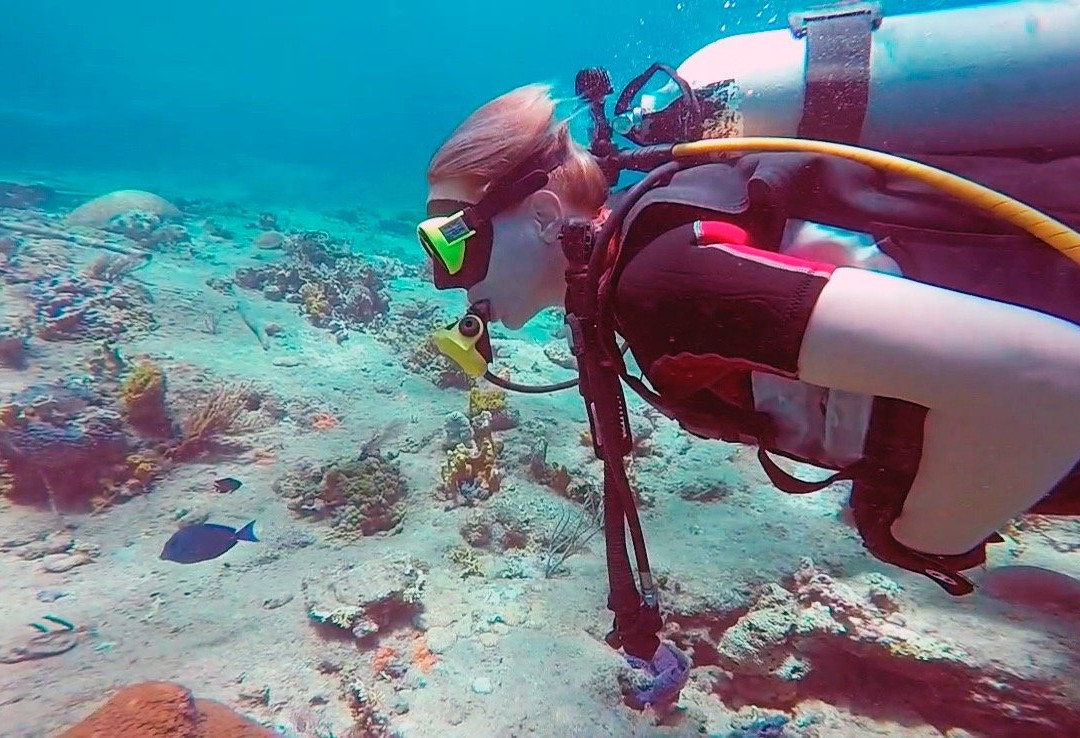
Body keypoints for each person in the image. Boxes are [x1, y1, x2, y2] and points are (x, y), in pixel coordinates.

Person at [421, 82, 1080, 597]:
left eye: (452, 244)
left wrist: (923, 532)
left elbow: (1057, 382)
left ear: (542, 215)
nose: (444, 281)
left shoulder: (665, 286)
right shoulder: (642, 259)